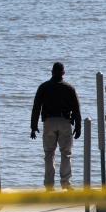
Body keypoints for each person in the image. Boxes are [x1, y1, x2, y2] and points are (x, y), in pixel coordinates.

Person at [30, 62, 82, 190]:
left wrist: (33, 126)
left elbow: (36, 107)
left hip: (48, 122)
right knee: (66, 154)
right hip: (64, 122)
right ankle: (66, 183)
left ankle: (49, 185)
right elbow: (76, 109)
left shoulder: (43, 87)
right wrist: (78, 126)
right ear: (63, 73)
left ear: (52, 72)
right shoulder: (69, 88)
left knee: (49, 154)